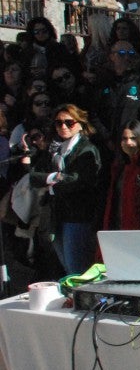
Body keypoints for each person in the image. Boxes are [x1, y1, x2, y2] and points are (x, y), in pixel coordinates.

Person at [29, 104, 102, 274]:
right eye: (59, 123)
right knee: (67, 268)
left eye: (69, 122)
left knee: (77, 269)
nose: (63, 127)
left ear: (80, 123)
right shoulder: (55, 149)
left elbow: (77, 181)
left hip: (78, 217)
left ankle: (81, 300)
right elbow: (34, 176)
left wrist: (51, 187)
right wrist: (54, 178)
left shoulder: (87, 149)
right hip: (57, 216)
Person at [91, 39, 140, 154]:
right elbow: (94, 113)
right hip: (108, 146)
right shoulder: (103, 81)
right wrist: (107, 138)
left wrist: (136, 139)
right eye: (121, 54)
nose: (126, 58)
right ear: (112, 56)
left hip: (133, 145)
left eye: (130, 54)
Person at [102, 120, 140, 231]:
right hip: (119, 224)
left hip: (139, 227)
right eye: (124, 139)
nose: (128, 143)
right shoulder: (119, 166)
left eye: (133, 138)